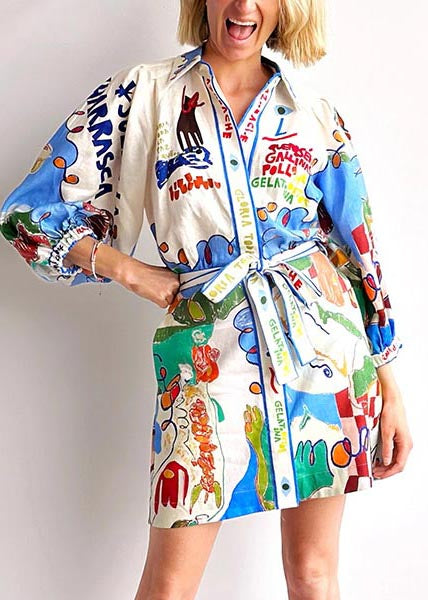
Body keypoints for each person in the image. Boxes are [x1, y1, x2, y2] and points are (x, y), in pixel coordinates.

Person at [0, 1, 413, 599]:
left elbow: (358, 250)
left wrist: (390, 385)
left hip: (326, 359)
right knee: (169, 585)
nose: (243, 5)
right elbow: (25, 214)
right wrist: (129, 271)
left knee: (313, 574)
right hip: (205, 363)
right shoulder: (144, 94)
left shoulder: (314, 114)